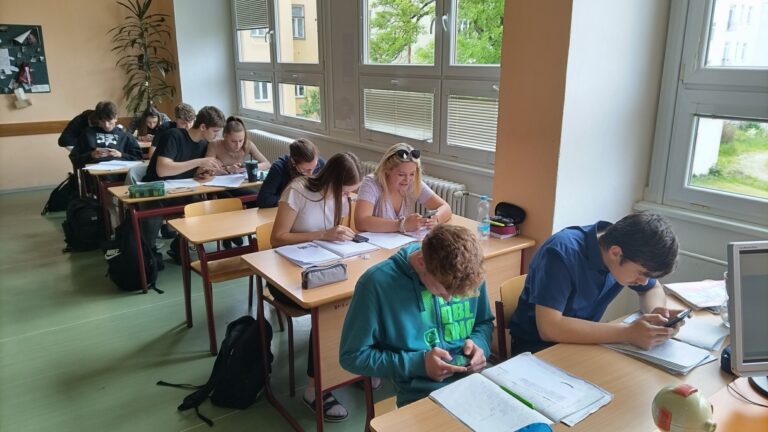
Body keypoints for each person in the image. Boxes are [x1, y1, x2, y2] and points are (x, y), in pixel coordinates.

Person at [339, 224, 493, 408]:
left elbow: (484, 323)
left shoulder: (469, 273)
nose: (448, 299)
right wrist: (419, 364)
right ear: (421, 262)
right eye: (444, 290)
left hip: (474, 381)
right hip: (421, 395)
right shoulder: (376, 284)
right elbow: (352, 356)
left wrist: (480, 345)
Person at [269, 152, 363, 422]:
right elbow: (277, 238)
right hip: (285, 275)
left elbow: (333, 234)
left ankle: (354, 366)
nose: (348, 197)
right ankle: (315, 389)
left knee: (360, 298)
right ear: (331, 180)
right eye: (345, 190)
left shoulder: (341, 198)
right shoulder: (297, 191)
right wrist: (322, 234)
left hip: (321, 268)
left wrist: (342, 236)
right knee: (329, 310)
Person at [508, 212, 683, 355]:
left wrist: (655, 315)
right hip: (537, 348)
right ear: (616, 253)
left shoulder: (623, 249)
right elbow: (550, 328)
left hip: (584, 343)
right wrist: (628, 332)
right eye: (641, 273)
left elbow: (652, 288)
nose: (643, 281)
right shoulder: (561, 253)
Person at [141, 106, 226, 262]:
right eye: (215, 131)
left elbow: (189, 172)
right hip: (156, 189)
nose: (217, 136)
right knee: (151, 213)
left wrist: (203, 172)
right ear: (203, 127)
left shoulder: (203, 144)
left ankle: (179, 247)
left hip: (180, 190)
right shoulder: (173, 135)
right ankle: (148, 254)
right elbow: (162, 170)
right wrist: (199, 162)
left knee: (202, 207)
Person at [354, 142, 451, 233]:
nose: (407, 180)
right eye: (401, 174)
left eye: (412, 174)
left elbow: (446, 208)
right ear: (387, 170)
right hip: (374, 243)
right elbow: (361, 222)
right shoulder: (371, 184)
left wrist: (436, 219)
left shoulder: (413, 183)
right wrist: (401, 225)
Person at [68, 101, 143, 169]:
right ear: (98, 119)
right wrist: (91, 155)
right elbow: (74, 159)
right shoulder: (88, 134)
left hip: (120, 171)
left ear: (116, 118)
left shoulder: (126, 136)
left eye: (109, 121)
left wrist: (121, 155)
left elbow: (138, 158)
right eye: (103, 121)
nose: (106, 125)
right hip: (95, 171)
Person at [253, 138, 325, 208]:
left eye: (315, 166)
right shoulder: (279, 168)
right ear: (293, 162)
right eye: (305, 170)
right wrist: (293, 199)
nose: (311, 174)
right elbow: (263, 199)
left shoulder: (321, 164)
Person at [200, 116, 271, 176]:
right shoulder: (215, 144)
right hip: (218, 184)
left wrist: (249, 167)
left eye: (241, 140)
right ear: (225, 136)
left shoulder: (248, 144)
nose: (238, 145)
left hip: (239, 183)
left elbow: (267, 164)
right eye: (234, 141)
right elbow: (205, 170)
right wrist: (228, 169)